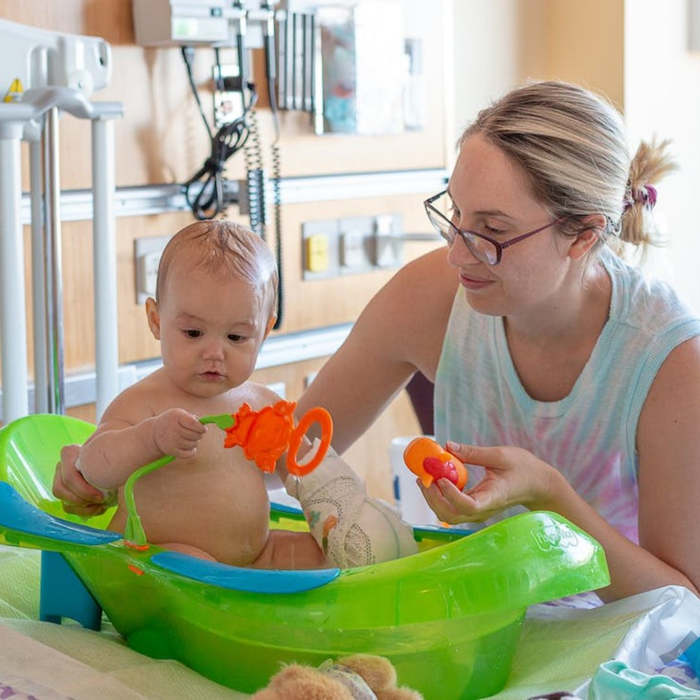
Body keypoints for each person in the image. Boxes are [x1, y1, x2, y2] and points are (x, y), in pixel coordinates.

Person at [295, 81, 700, 603]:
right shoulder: (430, 297)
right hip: (482, 623)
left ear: (582, 235)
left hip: (612, 652)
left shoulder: (668, 361)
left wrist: (548, 494)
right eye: (455, 215)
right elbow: (295, 450)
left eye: (490, 231)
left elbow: (682, 605)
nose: (457, 256)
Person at [53, 220, 416, 569]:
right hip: (159, 558)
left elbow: (310, 471)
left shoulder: (262, 405)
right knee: (187, 564)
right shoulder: (143, 402)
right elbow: (95, 467)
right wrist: (150, 438)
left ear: (264, 331)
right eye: (194, 333)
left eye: (236, 337)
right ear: (156, 321)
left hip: (257, 554)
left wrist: (344, 515)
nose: (214, 352)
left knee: (327, 559)